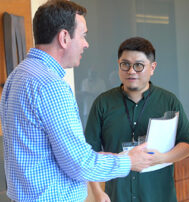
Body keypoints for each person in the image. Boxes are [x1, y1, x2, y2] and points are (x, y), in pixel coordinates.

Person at [0, 1, 154, 201]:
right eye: (83, 35)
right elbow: (81, 164)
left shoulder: (17, 76)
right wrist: (129, 161)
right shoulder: (51, 86)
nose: (86, 43)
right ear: (64, 37)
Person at [85, 36, 189, 202]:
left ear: (152, 67)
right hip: (117, 196)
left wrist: (163, 158)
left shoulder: (168, 101)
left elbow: (188, 145)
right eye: (125, 64)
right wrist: (97, 192)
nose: (131, 71)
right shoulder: (103, 103)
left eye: (139, 65)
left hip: (158, 196)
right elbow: (89, 153)